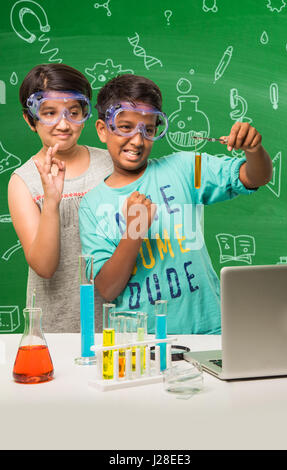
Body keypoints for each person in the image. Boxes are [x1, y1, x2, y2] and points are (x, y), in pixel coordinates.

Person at [78, 74, 273, 334]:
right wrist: (134, 231)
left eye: (148, 129)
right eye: (125, 127)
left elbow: (255, 177)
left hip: (209, 332)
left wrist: (254, 149)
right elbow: (107, 289)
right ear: (103, 130)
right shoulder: (91, 205)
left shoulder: (186, 167)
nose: (137, 140)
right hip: (139, 342)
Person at [8, 63, 113, 332]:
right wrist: (52, 202)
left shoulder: (110, 164)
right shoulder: (23, 182)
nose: (63, 124)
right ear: (30, 119)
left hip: (115, 324)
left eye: (73, 112)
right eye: (49, 113)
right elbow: (44, 266)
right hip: (56, 330)